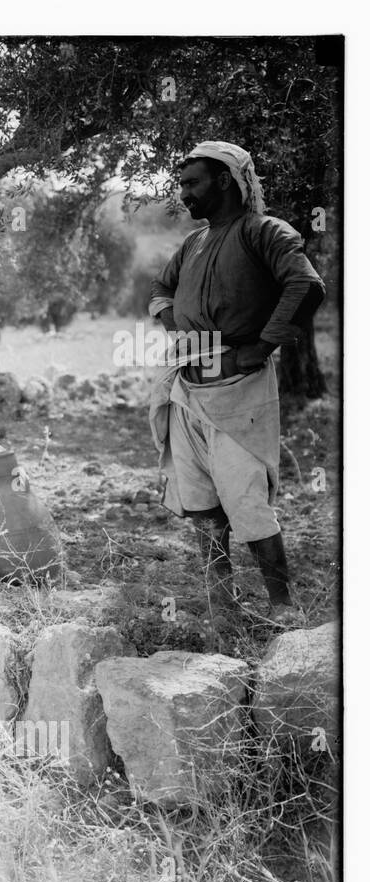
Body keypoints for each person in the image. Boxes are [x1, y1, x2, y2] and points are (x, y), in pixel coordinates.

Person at [148, 141, 325, 623]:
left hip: (239, 390)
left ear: (224, 180)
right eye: (181, 184)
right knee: (202, 502)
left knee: (245, 500)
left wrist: (262, 345)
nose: (184, 194)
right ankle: (221, 603)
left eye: (192, 183)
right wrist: (170, 321)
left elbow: (305, 285)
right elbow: (161, 287)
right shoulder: (194, 243)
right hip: (187, 392)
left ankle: (283, 608)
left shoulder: (264, 231)